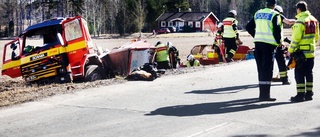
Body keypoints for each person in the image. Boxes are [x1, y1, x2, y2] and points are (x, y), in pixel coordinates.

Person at [246, 0, 282, 101]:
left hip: (258, 44)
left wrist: (256, 35)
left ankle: (262, 94)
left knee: (261, 69)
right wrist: (279, 42)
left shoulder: (258, 13)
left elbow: (248, 27)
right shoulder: (275, 14)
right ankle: (265, 95)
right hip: (269, 45)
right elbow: (277, 30)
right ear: (274, 5)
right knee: (267, 70)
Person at [288, 1, 319, 102]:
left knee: (299, 74)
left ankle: (300, 95)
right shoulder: (314, 20)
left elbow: (296, 38)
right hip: (311, 52)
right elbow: (317, 37)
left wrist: (290, 50)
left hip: (301, 53)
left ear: (299, 9)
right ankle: (309, 94)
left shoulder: (300, 21)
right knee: (309, 73)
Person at [273, 5, 294, 85]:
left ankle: (265, 80)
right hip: (277, 44)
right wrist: (298, 20)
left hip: (267, 44)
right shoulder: (278, 16)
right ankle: (284, 79)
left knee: (267, 63)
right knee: (281, 62)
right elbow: (288, 21)